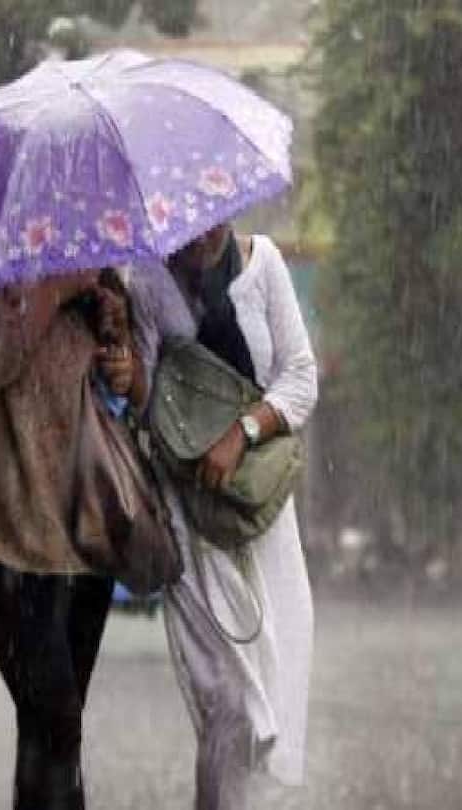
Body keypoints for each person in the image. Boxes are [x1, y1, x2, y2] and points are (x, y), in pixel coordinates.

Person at [127, 223, 319, 809]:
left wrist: (243, 431)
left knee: (277, 690)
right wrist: (125, 367)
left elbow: (300, 378)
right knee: (227, 702)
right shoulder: (147, 281)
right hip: (187, 520)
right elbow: (142, 400)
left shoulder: (264, 267)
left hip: (259, 511)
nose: (203, 233)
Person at [0, 269, 141, 810]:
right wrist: (52, 291)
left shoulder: (94, 267)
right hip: (5, 539)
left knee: (54, 728)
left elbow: (120, 382)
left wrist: (118, 341)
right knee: (55, 717)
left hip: (82, 537)